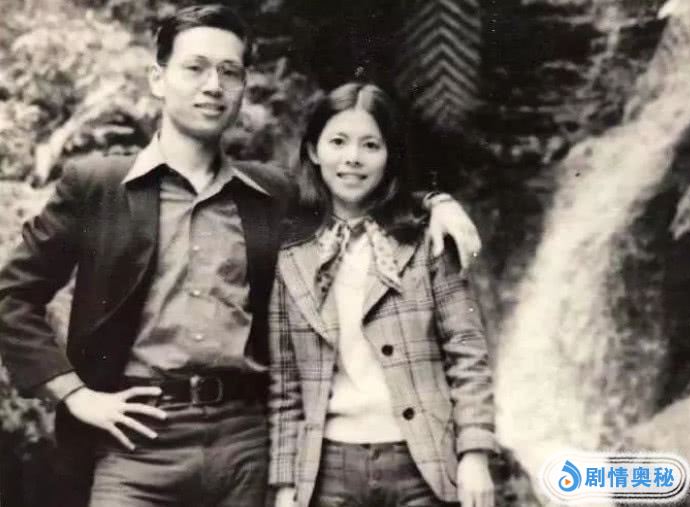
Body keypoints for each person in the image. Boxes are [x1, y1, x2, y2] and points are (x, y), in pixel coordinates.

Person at [0, 5, 482, 507]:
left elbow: (356, 190)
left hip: (246, 444)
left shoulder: (270, 193)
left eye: (229, 71)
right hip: (133, 443)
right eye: (195, 67)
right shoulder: (96, 186)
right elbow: (13, 295)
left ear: (242, 87)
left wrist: (435, 203)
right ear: (158, 79)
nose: (213, 85)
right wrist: (74, 394)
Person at [268, 82, 496, 507]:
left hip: (423, 465)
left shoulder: (428, 238)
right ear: (314, 151)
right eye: (338, 142)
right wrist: (284, 486)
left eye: (370, 145)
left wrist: (475, 454)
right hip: (327, 471)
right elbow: (286, 387)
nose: (353, 158)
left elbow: (467, 351)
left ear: (389, 156)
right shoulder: (291, 255)